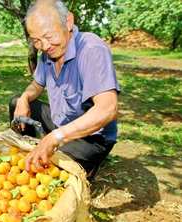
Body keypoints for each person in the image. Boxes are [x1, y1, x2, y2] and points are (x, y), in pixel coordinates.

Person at [10, 0, 120, 178]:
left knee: (50, 173)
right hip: (60, 124)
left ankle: (86, 164)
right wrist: (23, 99)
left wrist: (56, 137)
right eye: (37, 41)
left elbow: (107, 109)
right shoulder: (49, 53)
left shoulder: (91, 49)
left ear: (68, 22)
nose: (44, 46)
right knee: (15, 102)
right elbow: (36, 85)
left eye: (49, 36)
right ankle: (33, 149)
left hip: (92, 137)